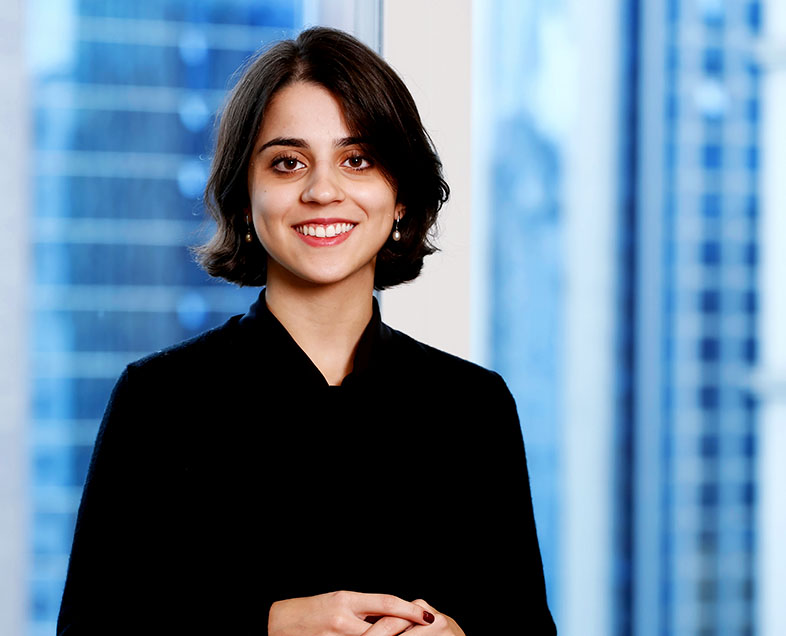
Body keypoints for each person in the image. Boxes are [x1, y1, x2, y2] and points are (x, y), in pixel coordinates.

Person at [57, 26, 556, 636]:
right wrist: (272, 625)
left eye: (357, 160)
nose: (323, 191)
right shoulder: (159, 400)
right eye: (288, 163)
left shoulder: (473, 406)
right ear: (245, 196)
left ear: (399, 196)